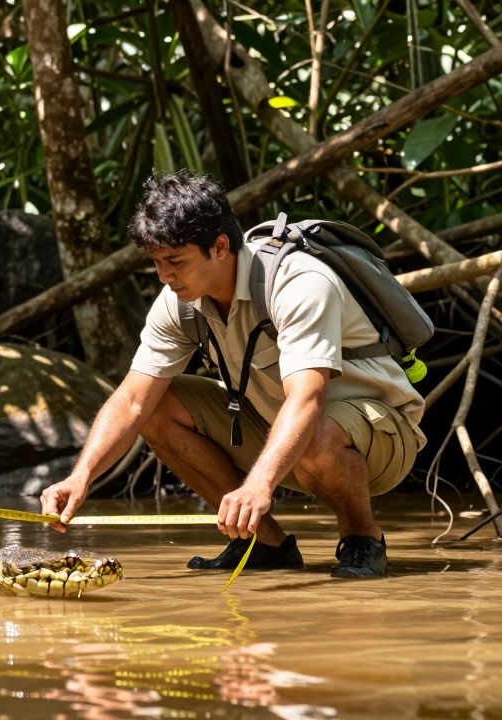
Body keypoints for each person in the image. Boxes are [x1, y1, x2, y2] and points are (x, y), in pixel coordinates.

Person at [40, 171, 425, 578]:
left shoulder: (299, 282)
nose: (164, 277)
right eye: (156, 262)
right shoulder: (180, 300)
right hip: (284, 431)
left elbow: (307, 400)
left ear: (220, 247)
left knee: (315, 431)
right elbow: (134, 399)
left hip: (378, 439)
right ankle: (262, 543)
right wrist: (81, 477)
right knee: (156, 407)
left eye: (175, 261)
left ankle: (363, 539)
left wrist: (258, 484)